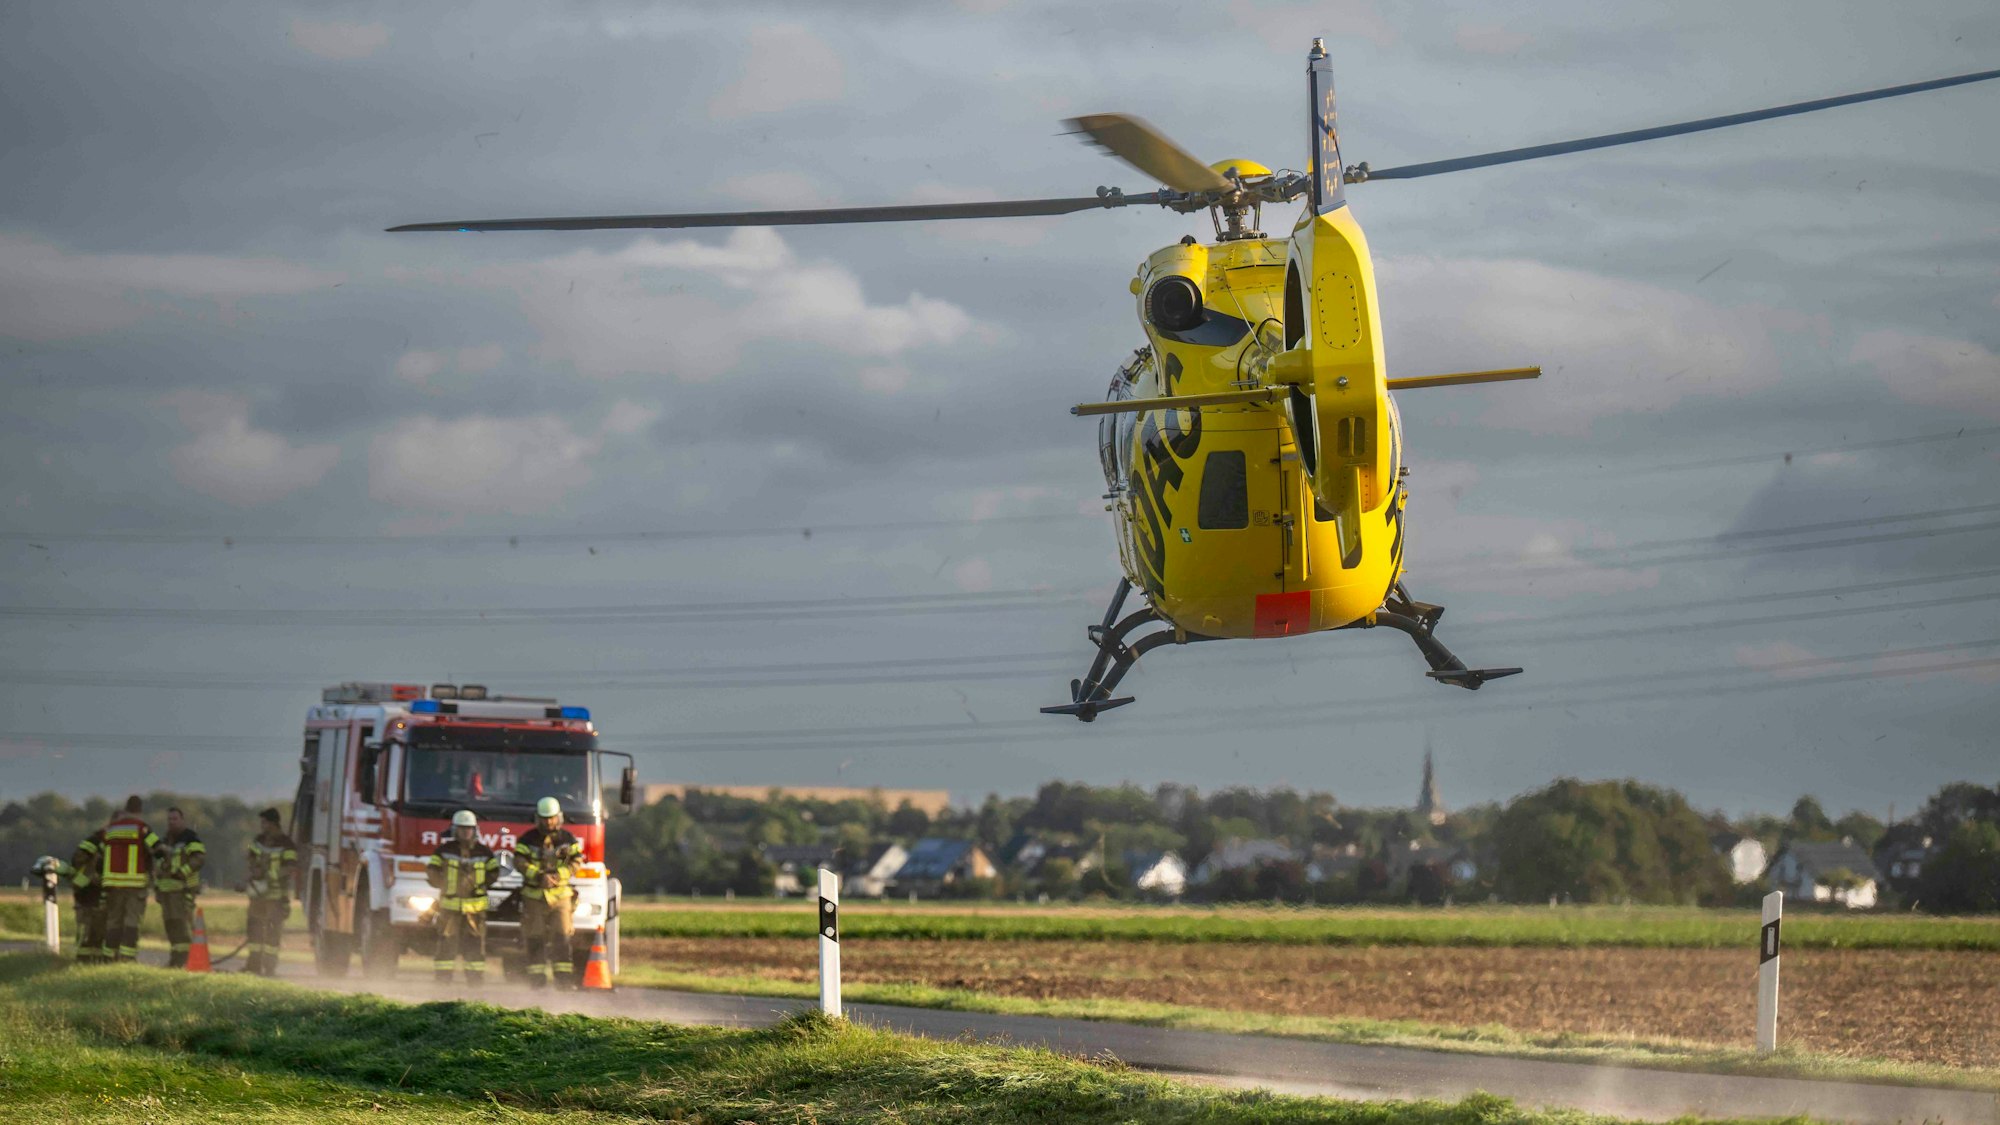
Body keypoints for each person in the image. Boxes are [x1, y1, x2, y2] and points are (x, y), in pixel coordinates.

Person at [512, 796, 584, 989]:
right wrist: (539, 876)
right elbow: (519, 862)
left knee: (562, 936)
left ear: (558, 817)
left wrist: (558, 876)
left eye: (551, 818)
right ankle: (537, 981)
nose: (548, 822)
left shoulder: (568, 839)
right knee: (534, 937)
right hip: (534, 895)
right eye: (544, 818)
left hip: (560, 895)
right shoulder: (527, 839)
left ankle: (564, 981)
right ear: (538, 818)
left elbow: (576, 862)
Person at [425, 809, 496, 986]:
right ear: (455, 830)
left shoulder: (484, 852)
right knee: (446, 944)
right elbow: (432, 871)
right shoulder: (443, 851)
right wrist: (442, 884)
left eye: (469, 829)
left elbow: (494, 872)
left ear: (475, 830)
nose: (466, 832)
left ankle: (475, 981)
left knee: (474, 945)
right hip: (450, 909)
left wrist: (481, 885)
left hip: (475, 910)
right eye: (462, 829)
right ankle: (442, 981)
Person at [99, 795, 164, 963]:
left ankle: (108, 956)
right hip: (134, 884)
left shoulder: (111, 829)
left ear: (126, 808)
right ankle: (127, 957)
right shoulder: (141, 828)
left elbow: (101, 852)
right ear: (140, 810)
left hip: (113, 884)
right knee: (132, 921)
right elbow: (158, 850)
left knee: (113, 921)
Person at [244, 808, 297, 977]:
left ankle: (269, 968)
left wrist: (269, 875)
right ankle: (253, 965)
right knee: (254, 930)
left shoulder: (287, 844)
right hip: (258, 895)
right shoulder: (258, 840)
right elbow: (250, 858)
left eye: (264, 822)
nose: (262, 826)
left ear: (273, 823)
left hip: (276, 897)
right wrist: (254, 871)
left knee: (273, 934)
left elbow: (290, 867)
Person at [154, 807, 207, 968]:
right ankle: (176, 959)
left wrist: (181, 873)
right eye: (169, 819)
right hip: (166, 892)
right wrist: (157, 887)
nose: (171, 822)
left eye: (175, 819)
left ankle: (185, 960)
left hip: (183, 891)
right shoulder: (165, 841)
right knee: (171, 926)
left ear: (182, 820)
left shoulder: (190, 839)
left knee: (182, 926)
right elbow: (158, 864)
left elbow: (198, 859)